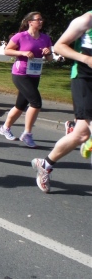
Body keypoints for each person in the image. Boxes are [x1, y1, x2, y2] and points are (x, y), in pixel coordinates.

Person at [32, 11, 92, 193]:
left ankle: (45, 164)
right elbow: (59, 46)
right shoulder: (86, 20)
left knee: (81, 134)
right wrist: (86, 58)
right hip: (84, 79)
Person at [0, 12, 53, 147]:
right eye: (38, 19)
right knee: (36, 103)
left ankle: (5, 128)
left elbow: (50, 59)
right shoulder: (20, 36)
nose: (41, 21)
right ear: (30, 22)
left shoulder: (45, 38)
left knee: (20, 105)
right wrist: (22, 52)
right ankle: (27, 133)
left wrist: (48, 53)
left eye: (42, 19)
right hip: (20, 73)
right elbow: (7, 51)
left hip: (35, 74)